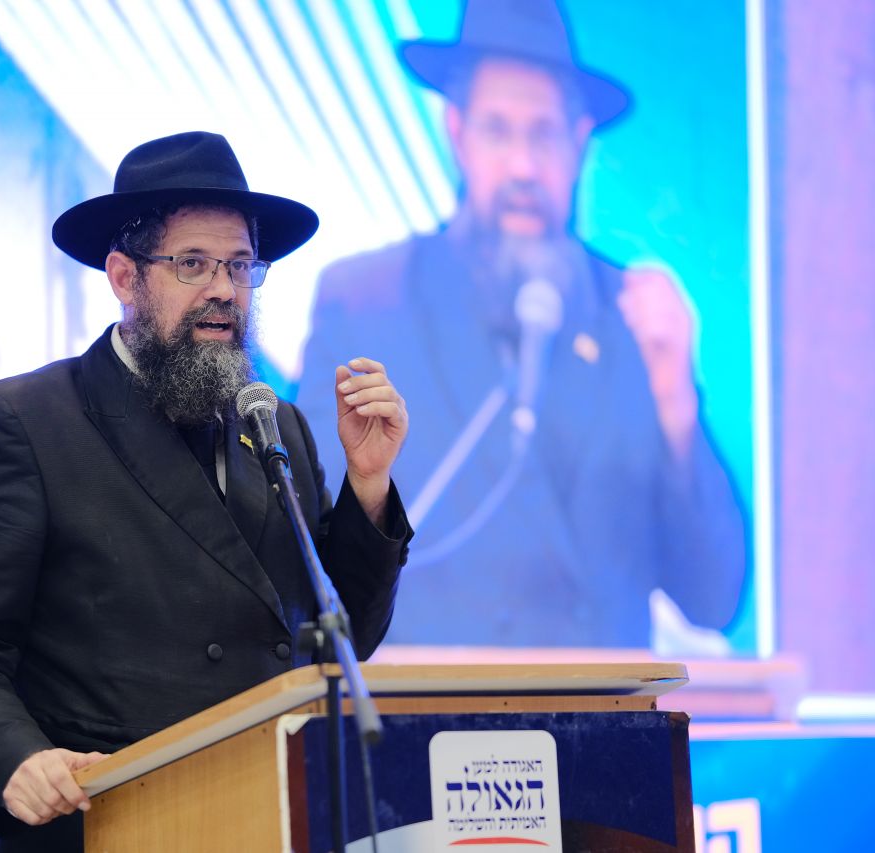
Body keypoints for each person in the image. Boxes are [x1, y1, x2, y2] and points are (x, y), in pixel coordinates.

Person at [0, 131, 411, 852]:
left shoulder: (276, 424)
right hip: (111, 820)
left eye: (240, 265)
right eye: (192, 263)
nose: (224, 290)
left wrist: (369, 484)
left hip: (275, 817)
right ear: (123, 276)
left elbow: (343, 636)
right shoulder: (23, 423)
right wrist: (15, 759)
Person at [296, 0, 745, 647]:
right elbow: (309, 558)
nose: (523, 167)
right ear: (458, 134)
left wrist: (676, 399)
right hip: (416, 703)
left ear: (579, 142)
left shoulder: (634, 319)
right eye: (498, 131)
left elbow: (714, 598)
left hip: (599, 707)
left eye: (544, 134)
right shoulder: (366, 301)